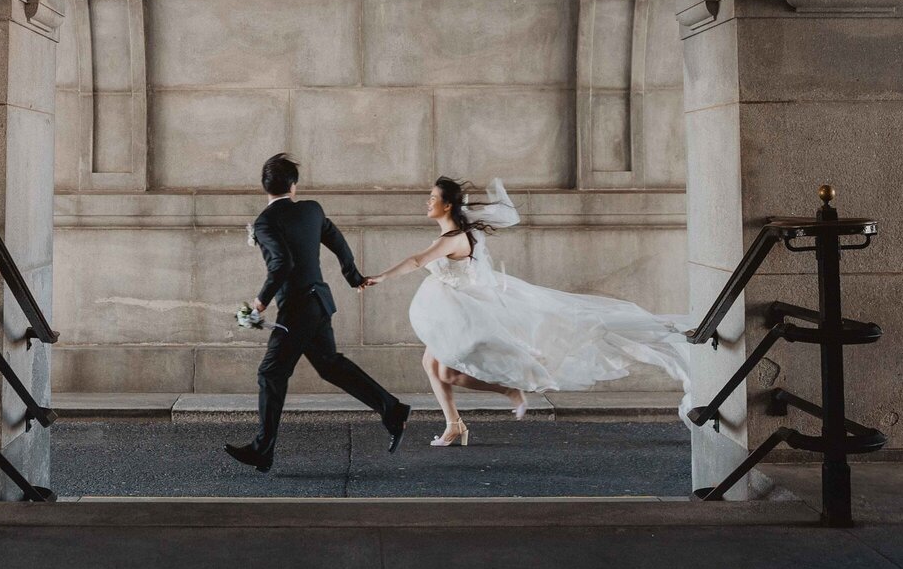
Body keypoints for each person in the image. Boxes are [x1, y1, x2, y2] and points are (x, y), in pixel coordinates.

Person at [363, 177, 689, 447]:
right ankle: (455, 425)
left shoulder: (454, 238)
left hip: (464, 314)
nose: (427, 202)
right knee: (430, 365)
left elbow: (418, 260)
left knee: (446, 373)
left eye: (432, 197)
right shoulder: (459, 234)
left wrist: (379, 277)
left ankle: (506, 390)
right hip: (451, 310)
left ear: (447, 205)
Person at [225, 153, 411, 472]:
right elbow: (336, 240)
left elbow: (282, 265)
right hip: (318, 302)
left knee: (271, 373)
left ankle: (262, 450)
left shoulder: (266, 222)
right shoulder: (312, 210)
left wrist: (259, 304)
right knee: (329, 365)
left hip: (297, 308)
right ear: (293, 186)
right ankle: (392, 410)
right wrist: (353, 276)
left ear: (264, 187)